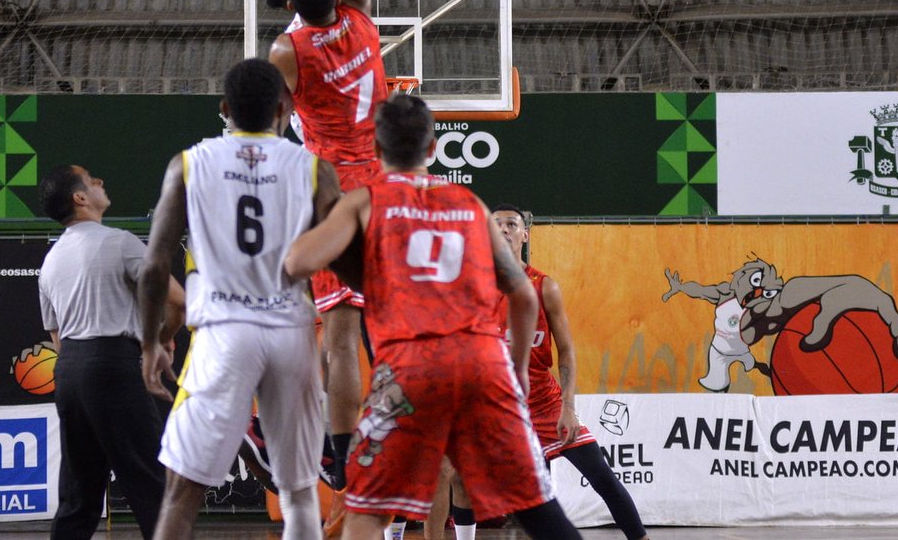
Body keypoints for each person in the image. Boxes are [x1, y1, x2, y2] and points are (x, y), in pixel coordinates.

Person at [282, 95, 582, 540]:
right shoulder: (471, 204)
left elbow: (297, 262)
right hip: (485, 365)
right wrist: (515, 371)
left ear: (377, 152)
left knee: (366, 510)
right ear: (434, 149)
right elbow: (522, 295)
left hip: (410, 368)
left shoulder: (366, 201)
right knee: (539, 508)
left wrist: (338, 233)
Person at [138, 58, 343, 540]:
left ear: (225, 108)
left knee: (182, 493)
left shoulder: (189, 164)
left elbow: (153, 267)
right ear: (283, 108)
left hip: (224, 333)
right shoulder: (314, 169)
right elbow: (341, 262)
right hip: (291, 330)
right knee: (297, 491)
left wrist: (151, 343)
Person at [257, 0, 393, 488]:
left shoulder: (289, 53)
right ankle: (408, 423)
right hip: (389, 187)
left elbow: (266, 118)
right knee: (395, 323)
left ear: (288, 3)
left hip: (336, 193)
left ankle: (341, 455)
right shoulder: (362, 2)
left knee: (339, 336)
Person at [37, 164, 186, 540]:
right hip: (112, 366)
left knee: (79, 496)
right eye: (91, 179)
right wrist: (161, 338)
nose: (101, 180)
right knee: (154, 487)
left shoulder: (50, 262)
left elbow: (58, 341)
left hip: (69, 372)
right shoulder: (119, 241)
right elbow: (179, 302)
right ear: (81, 198)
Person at [489, 205, 647, 540]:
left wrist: (568, 406)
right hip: (503, 408)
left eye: (511, 224)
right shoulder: (474, 288)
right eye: (496, 224)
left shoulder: (544, 286)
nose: (504, 229)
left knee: (602, 476)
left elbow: (567, 350)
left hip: (546, 402)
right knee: (529, 502)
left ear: (524, 235)